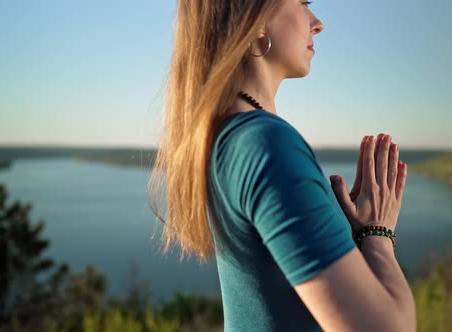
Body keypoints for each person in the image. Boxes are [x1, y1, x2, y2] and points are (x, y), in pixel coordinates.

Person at [148, 0, 416, 330]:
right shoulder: (267, 145)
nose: (317, 23)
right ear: (255, 19)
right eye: (303, 3)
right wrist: (377, 234)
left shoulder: (223, 137)